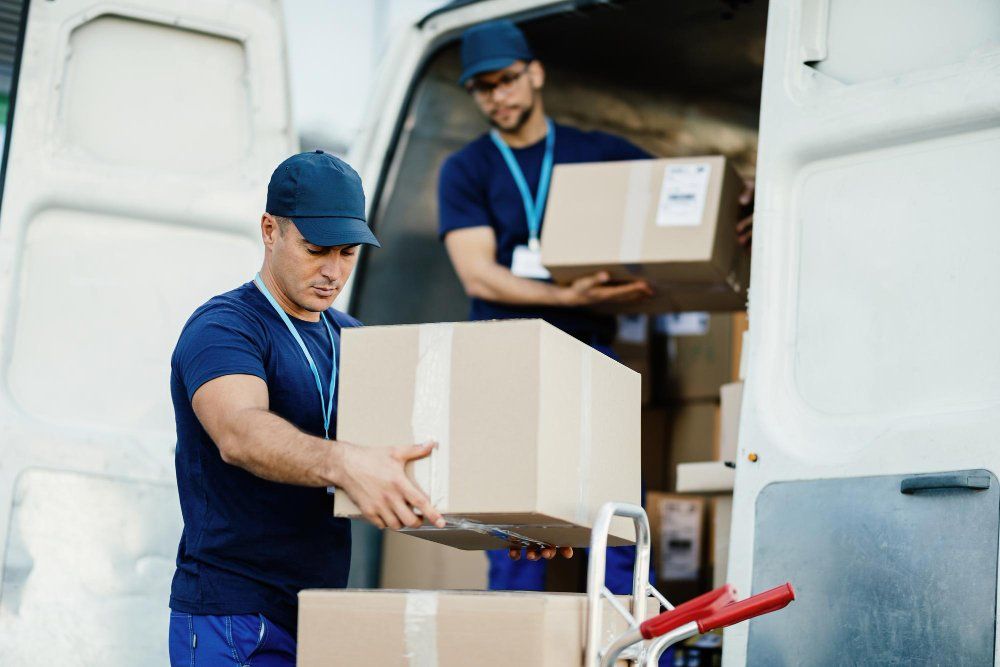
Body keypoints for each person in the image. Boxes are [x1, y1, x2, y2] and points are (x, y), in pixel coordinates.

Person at [437, 21, 753, 595]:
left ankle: (631, 643)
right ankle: (515, 646)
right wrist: (566, 296)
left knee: (612, 514)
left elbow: (679, 203)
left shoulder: (598, 153)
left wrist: (739, 201)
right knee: (514, 520)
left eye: (506, 80)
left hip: (589, 354)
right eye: (482, 88)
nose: (497, 96)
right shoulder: (467, 168)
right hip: (507, 356)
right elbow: (477, 272)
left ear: (535, 73)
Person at [167, 151, 447, 666]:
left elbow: (421, 457)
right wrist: (343, 462)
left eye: (347, 253)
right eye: (316, 249)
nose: (333, 272)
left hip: (319, 616)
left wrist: (512, 528)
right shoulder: (224, 328)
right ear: (270, 229)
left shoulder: (355, 339)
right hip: (234, 615)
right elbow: (240, 434)